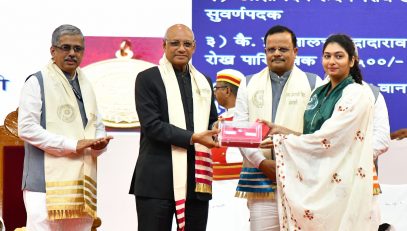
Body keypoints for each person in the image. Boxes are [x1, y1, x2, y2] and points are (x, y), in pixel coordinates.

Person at [261, 33, 377, 230]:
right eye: (327, 56)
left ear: (352, 61)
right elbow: (314, 136)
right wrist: (282, 131)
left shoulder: (356, 94)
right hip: (316, 180)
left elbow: (329, 139)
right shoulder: (319, 91)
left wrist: (282, 141)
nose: (331, 61)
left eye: (339, 56)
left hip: (341, 183)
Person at [18, 24, 113, 230]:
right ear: (53, 51)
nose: (72, 53)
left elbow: (96, 125)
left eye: (77, 49)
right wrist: (73, 144)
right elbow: (26, 128)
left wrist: (99, 143)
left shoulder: (86, 85)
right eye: (65, 48)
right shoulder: (36, 82)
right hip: (43, 186)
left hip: (81, 186)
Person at [129, 24, 219, 231]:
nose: (181, 49)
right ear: (164, 46)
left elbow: (211, 121)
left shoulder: (203, 81)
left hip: (196, 182)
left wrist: (219, 128)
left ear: (194, 48)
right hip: (156, 180)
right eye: (175, 43)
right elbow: (152, 126)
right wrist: (195, 137)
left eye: (187, 44)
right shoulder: (148, 78)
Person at [233, 25, 322, 230]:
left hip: (302, 179)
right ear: (265, 52)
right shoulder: (248, 83)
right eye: (271, 49)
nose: (276, 54)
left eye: (283, 49)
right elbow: (240, 131)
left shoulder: (313, 83)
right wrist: (262, 162)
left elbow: (318, 133)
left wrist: (287, 162)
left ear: (295, 51)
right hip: (261, 180)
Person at [208, 69, 249, 230]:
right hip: (218, 189)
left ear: (227, 90)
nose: (214, 93)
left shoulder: (245, 120)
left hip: (237, 190)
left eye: (216, 88)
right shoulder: (217, 121)